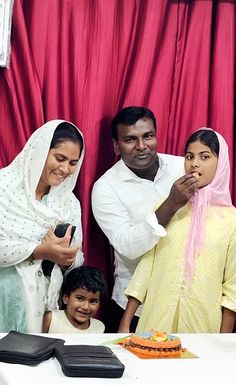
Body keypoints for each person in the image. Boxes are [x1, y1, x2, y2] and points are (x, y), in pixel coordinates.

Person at [119, 128, 236, 333]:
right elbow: (147, 266)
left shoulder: (231, 220)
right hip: (156, 320)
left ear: (221, 163)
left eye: (205, 156)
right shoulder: (168, 207)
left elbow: (233, 287)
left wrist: (222, 340)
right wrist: (125, 322)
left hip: (202, 327)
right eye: (189, 156)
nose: (194, 164)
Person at [92, 106, 198, 332]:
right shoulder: (106, 188)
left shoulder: (182, 166)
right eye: (130, 139)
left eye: (148, 136)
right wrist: (170, 204)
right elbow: (127, 245)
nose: (141, 146)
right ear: (116, 146)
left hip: (185, 298)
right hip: (135, 307)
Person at [0, 120, 85, 333]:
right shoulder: (4, 187)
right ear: (39, 151)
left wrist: (66, 259)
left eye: (73, 162)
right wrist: (40, 251)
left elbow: (78, 257)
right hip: (5, 298)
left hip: (43, 308)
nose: (65, 169)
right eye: (60, 158)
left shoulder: (69, 202)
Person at [43, 266, 107, 333]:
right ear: (66, 298)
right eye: (80, 299)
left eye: (93, 301)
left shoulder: (99, 327)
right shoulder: (51, 319)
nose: (86, 307)